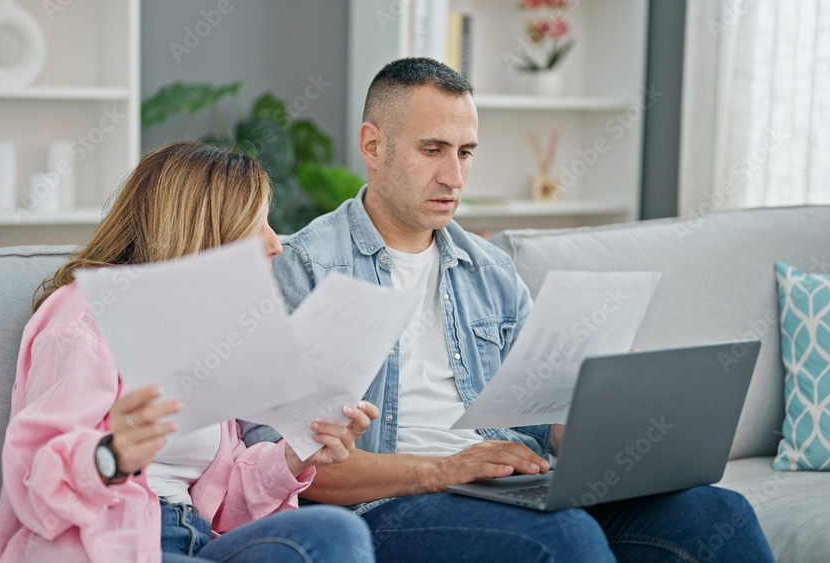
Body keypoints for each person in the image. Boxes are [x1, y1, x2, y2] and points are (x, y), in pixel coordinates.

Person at [242, 58, 775, 562]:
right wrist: (445, 470)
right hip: (386, 505)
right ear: (373, 146)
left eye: (466, 152)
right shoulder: (304, 268)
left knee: (715, 513)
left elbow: (542, 425)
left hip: (505, 486)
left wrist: (604, 406)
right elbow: (286, 461)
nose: (454, 176)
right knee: (561, 536)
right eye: (432, 150)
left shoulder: (489, 269)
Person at [0, 141, 379, 563]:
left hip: (194, 540)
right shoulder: (86, 313)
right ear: (205, 230)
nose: (275, 244)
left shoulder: (209, 334)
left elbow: (224, 505)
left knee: (334, 532)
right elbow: (34, 481)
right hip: (109, 547)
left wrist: (294, 453)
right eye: (257, 224)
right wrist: (112, 453)